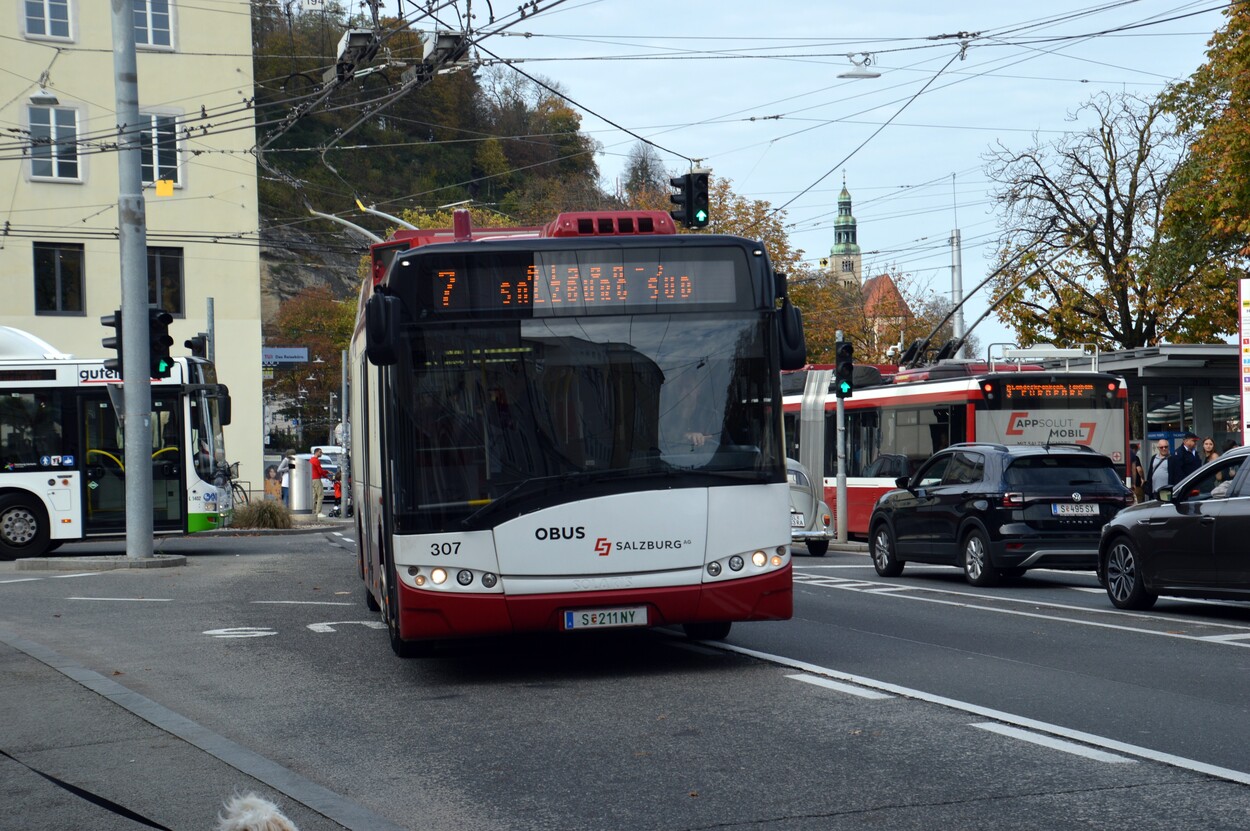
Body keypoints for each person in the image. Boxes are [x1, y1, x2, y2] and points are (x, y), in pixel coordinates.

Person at [309, 447, 326, 517]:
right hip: (316, 479)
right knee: (320, 495)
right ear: (316, 452)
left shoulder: (311, 460)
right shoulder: (316, 460)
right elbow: (320, 471)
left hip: (311, 479)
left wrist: (326, 471)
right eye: (320, 452)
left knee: (314, 496)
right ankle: (318, 512)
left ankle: (313, 511)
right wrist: (327, 476)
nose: (321, 454)